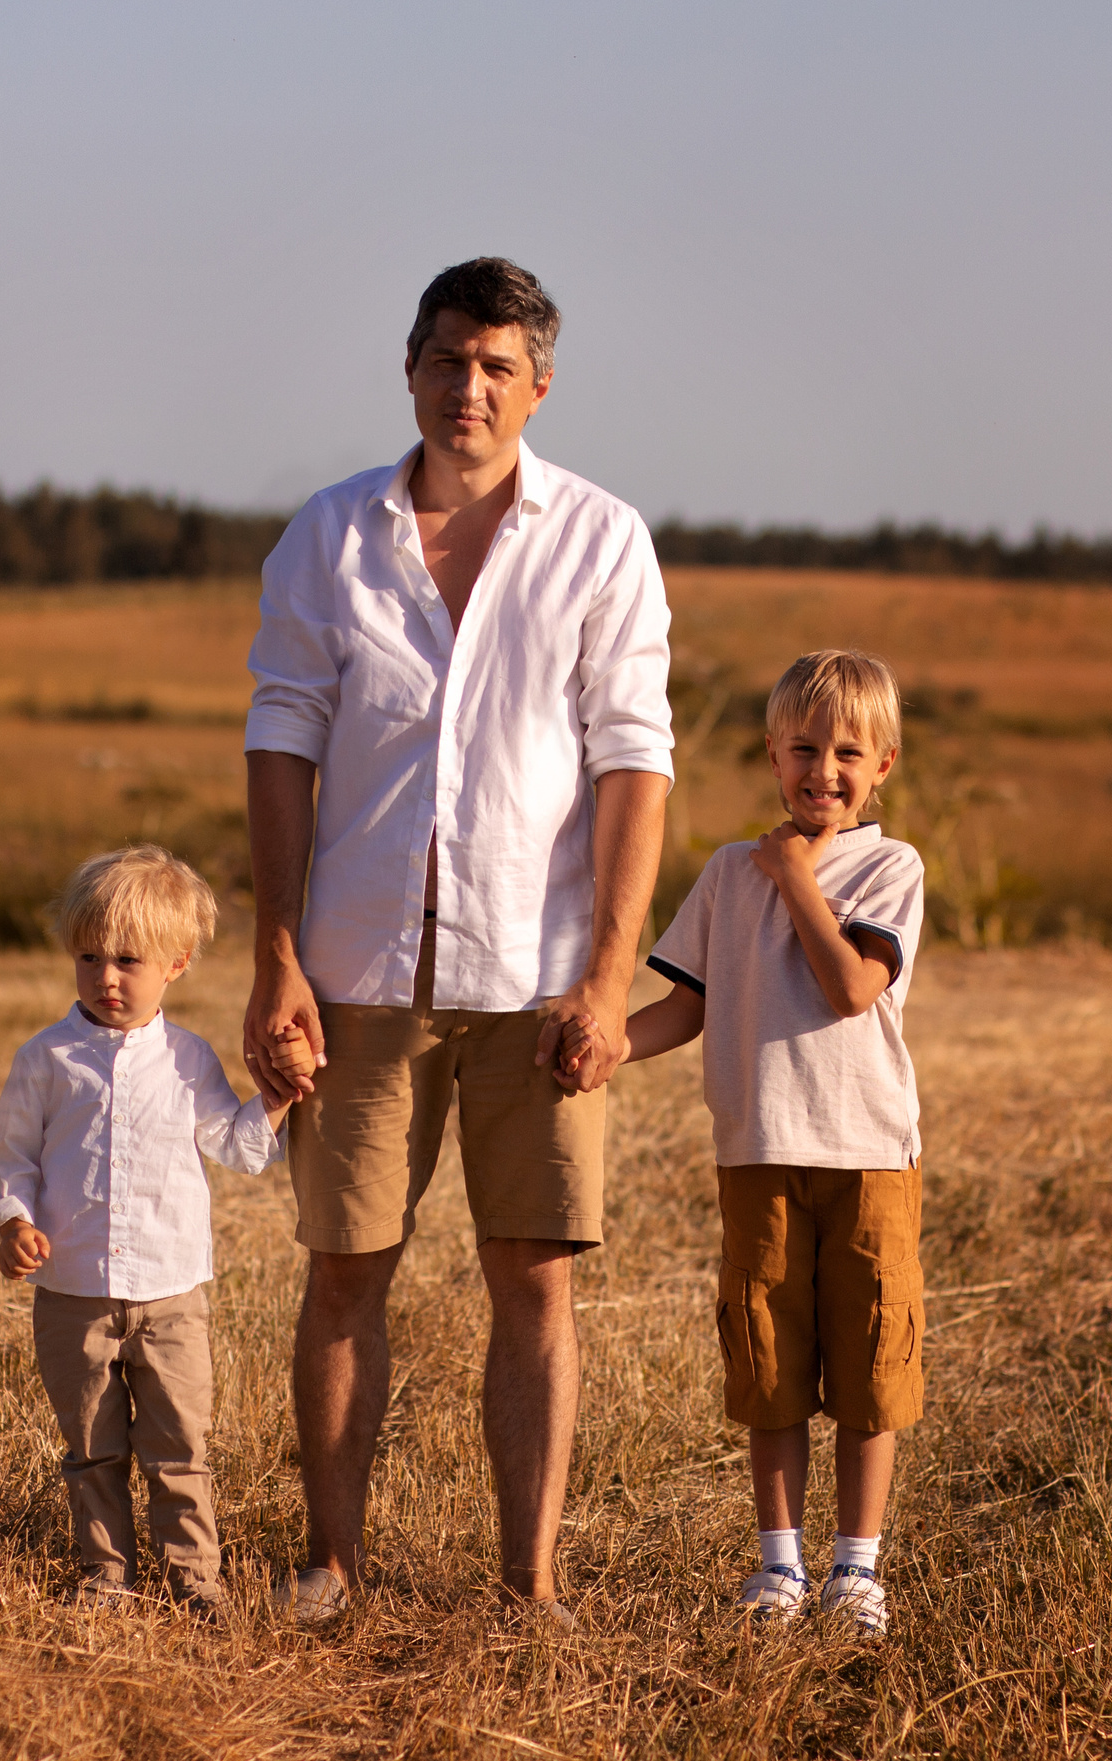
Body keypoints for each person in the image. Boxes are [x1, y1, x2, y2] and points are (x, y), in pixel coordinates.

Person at [243, 257, 673, 1624]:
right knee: (343, 1269)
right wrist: (276, 955)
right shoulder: (327, 535)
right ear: (409, 368)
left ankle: (527, 1586)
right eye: (445, 358)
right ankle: (330, 1565)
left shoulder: (603, 540)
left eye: (496, 365)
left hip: (537, 978)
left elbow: (633, 767)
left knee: (534, 1279)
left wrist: (610, 978)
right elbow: (281, 741)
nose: (467, 386)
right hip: (359, 966)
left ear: (539, 385)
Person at [582, 650, 925, 1636]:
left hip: (866, 1156)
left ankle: (855, 1568)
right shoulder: (729, 874)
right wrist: (608, 1045)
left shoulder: (889, 867)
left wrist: (795, 873)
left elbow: (852, 986)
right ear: (771, 756)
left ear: (884, 765)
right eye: (803, 749)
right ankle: (778, 1565)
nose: (824, 770)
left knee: (868, 1363)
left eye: (847, 752)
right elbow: (683, 1007)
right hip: (757, 1151)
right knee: (766, 1362)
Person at [0, 845, 293, 1619]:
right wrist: (12, 1219)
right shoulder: (46, 1059)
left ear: (177, 963)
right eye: (89, 958)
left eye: (128, 959)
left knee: (181, 1448)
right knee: (92, 1449)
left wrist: (278, 1100)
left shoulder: (189, 1061)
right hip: (72, 1294)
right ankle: (105, 1574)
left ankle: (197, 1582)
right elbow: (6, 1154)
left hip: (172, 1292)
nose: (106, 978)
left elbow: (236, 1147)